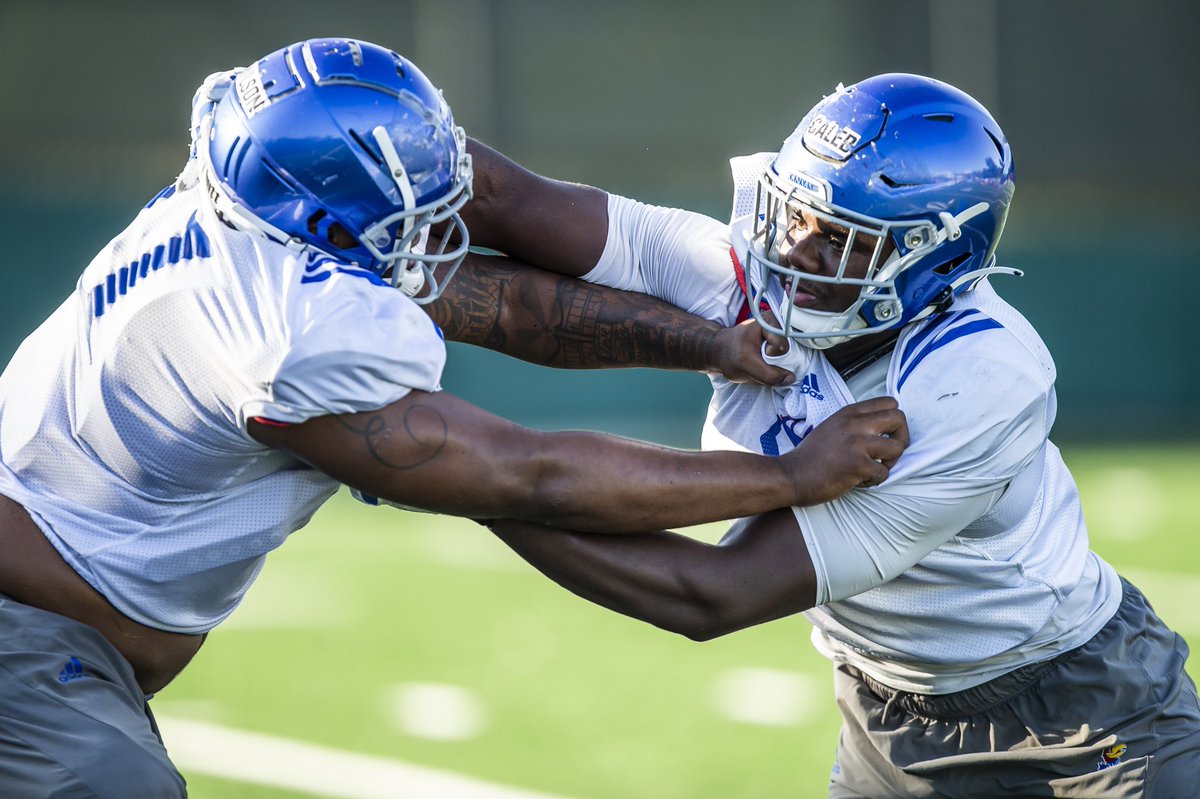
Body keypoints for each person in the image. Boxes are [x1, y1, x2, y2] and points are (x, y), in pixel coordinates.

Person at [0, 40, 909, 797]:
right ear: (325, 216)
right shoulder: (286, 333)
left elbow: (501, 306)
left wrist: (709, 344)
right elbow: (529, 474)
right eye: (419, 213)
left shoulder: (249, 212)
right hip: (26, 625)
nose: (443, 232)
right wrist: (791, 476)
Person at [459, 74, 1200, 797]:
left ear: (934, 257)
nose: (797, 252)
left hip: (1083, 717)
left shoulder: (978, 376)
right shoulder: (749, 274)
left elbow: (711, 593)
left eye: (843, 238)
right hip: (885, 717)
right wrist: (370, 152)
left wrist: (453, 472)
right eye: (796, 213)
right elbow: (510, 200)